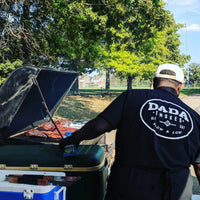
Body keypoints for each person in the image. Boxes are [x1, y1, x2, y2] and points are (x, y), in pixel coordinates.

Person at [60, 63, 200, 200]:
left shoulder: (132, 97)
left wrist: (72, 140)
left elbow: (98, 127)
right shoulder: (195, 119)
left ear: (153, 82)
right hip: (174, 191)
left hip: (128, 188)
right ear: (179, 86)